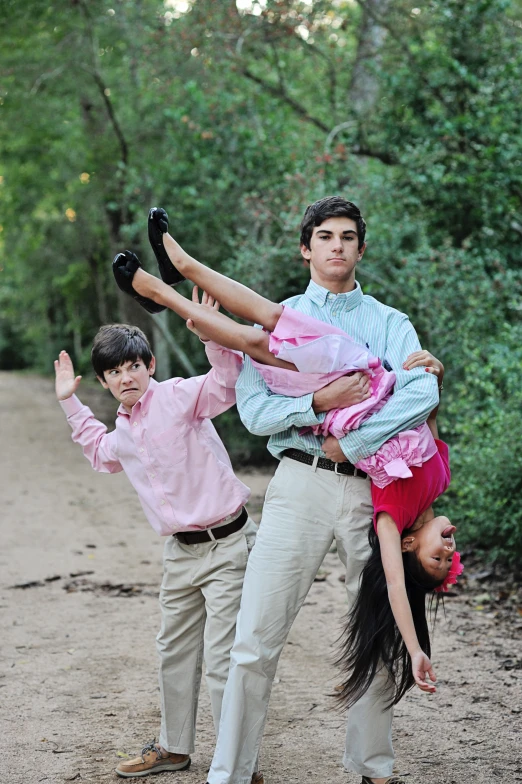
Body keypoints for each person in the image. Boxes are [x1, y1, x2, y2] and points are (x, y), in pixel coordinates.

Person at [117, 195, 442, 784]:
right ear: (306, 248)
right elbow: (257, 415)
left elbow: (420, 397)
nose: (337, 245)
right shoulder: (282, 313)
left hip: (373, 492)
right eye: (325, 236)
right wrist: (317, 403)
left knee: (374, 630)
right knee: (254, 638)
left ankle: (373, 768)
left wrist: (355, 443)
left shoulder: (392, 324)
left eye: (347, 236)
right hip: (299, 484)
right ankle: (230, 773)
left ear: (361, 249)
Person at [54, 323, 263, 783]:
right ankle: (173, 747)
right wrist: (69, 400)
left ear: (149, 365)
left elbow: (226, 382)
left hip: (228, 543)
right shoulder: (125, 431)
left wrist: (211, 335)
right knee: (173, 650)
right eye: (114, 371)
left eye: (133, 365)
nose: (126, 377)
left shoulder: (178, 397)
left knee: (224, 657)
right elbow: (99, 451)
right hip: (181, 553)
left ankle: (237, 765)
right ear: (105, 382)